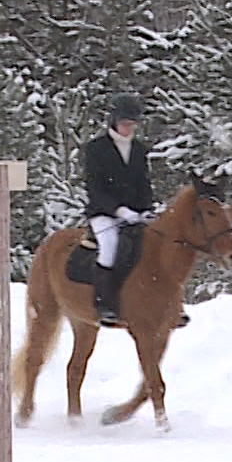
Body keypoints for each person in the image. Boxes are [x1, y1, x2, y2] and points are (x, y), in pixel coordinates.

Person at [84, 92, 157, 328]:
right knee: (110, 247)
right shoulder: (96, 149)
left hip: (135, 213)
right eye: (125, 124)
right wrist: (119, 210)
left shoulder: (138, 149)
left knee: (159, 244)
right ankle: (105, 304)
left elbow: (143, 183)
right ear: (114, 121)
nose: (129, 129)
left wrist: (147, 209)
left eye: (133, 124)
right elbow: (94, 187)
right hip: (104, 214)